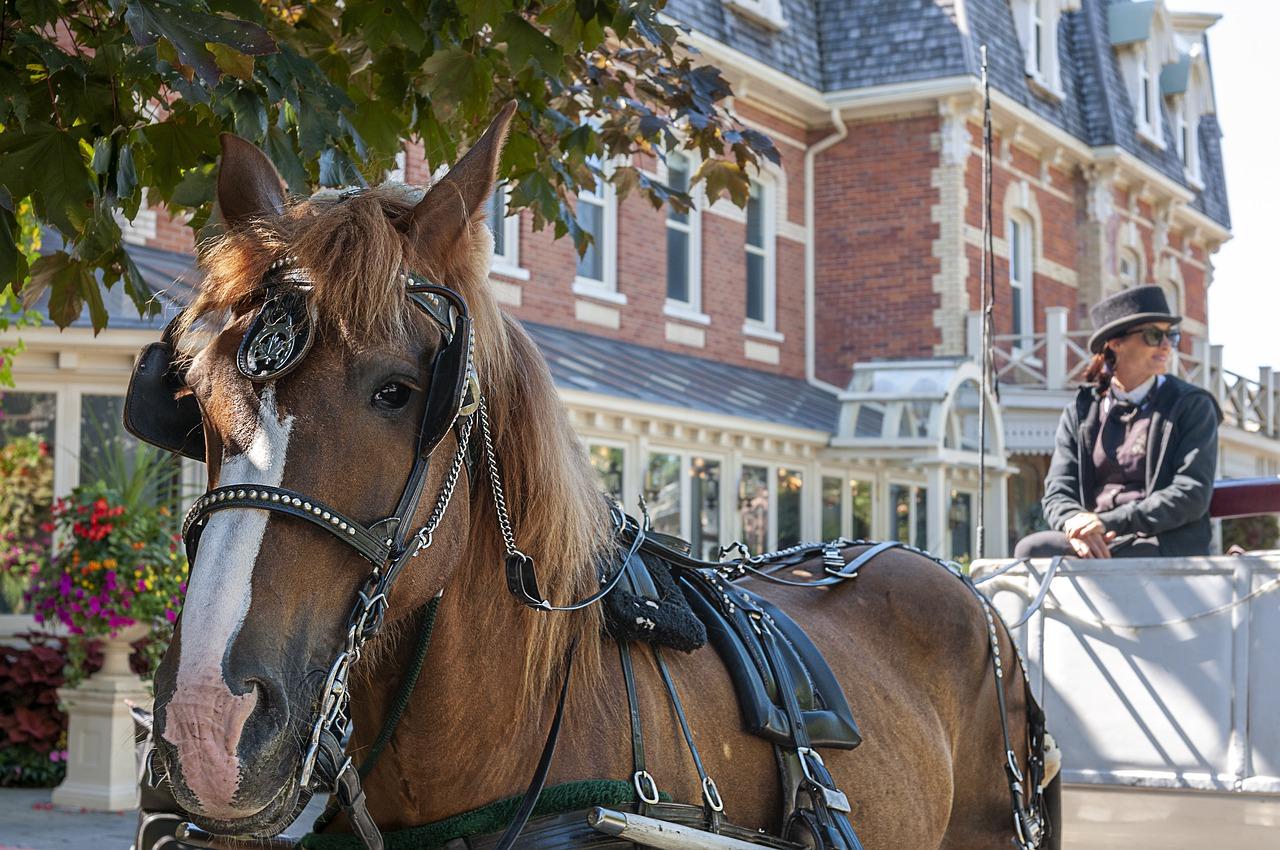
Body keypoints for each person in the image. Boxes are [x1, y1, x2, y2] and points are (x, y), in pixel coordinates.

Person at [1015, 286, 1221, 559]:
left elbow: (1191, 493)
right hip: (1098, 538)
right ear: (1115, 343)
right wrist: (1075, 523)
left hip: (1161, 540)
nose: (1166, 344)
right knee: (1031, 549)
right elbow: (1058, 491)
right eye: (1153, 335)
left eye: (1171, 335)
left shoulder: (1192, 405)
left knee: (1132, 556)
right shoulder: (1081, 412)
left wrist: (1107, 522)